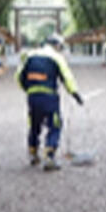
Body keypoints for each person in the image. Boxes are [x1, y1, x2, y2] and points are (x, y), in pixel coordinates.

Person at [15, 33, 83, 171]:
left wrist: (28, 90)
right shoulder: (57, 58)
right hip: (49, 96)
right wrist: (75, 94)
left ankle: (33, 153)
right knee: (55, 124)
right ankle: (49, 156)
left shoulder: (29, 56)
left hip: (32, 97)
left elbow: (19, 76)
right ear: (57, 45)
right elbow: (67, 77)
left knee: (34, 124)